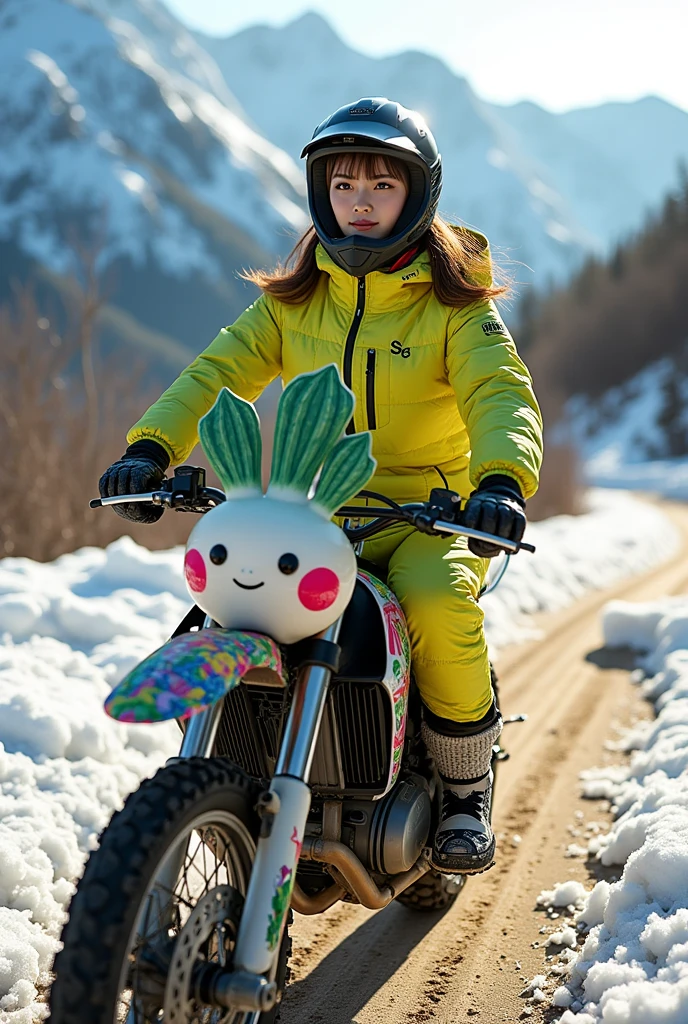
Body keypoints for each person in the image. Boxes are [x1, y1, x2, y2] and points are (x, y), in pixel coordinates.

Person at [99, 97, 543, 875]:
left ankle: (466, 791)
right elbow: (215, 371)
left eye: (380, 185)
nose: (360, 201)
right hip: (313, 510)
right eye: (342, 186)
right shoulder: (295, 300)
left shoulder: (455, 305)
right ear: (318, 195)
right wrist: (149, 445)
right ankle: (229, 773)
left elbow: (500, 393)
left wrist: (501, 480)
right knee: (227, 606)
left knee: (439, 606)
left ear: (418, 195)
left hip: (426, 514)